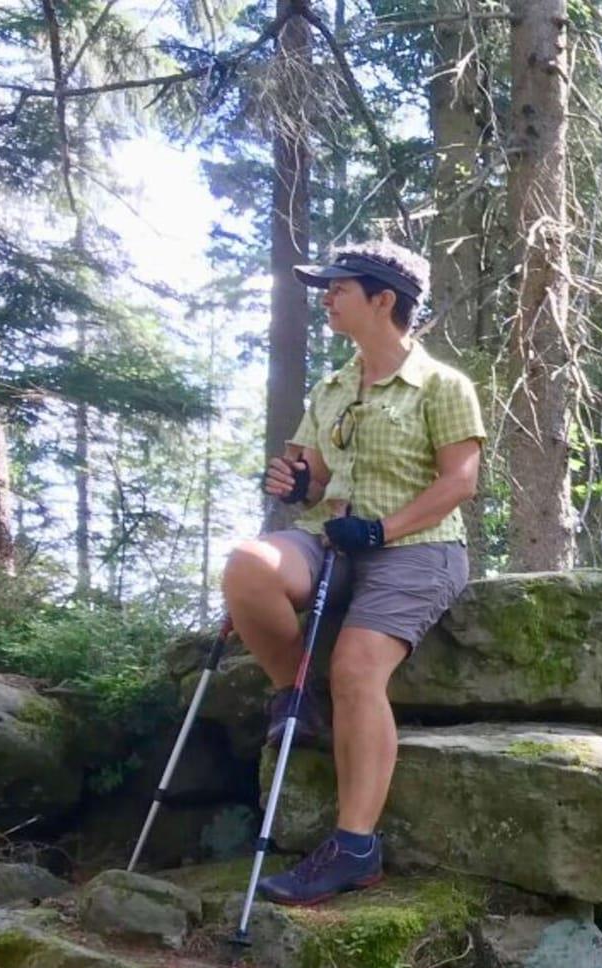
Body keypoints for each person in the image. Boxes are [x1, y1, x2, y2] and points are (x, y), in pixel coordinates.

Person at [221, 241, 484, 905]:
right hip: (330, 540)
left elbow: (459, 481)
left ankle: (354, 846)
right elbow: (310, 481)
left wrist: (381, 530)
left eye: (339, 288)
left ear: (383, 299)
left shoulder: (443, 385)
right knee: (249, 565)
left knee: (358, 667)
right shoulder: (333, 387)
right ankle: (296, 694)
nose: (327, 299)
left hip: (419, 548)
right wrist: (296, 482)